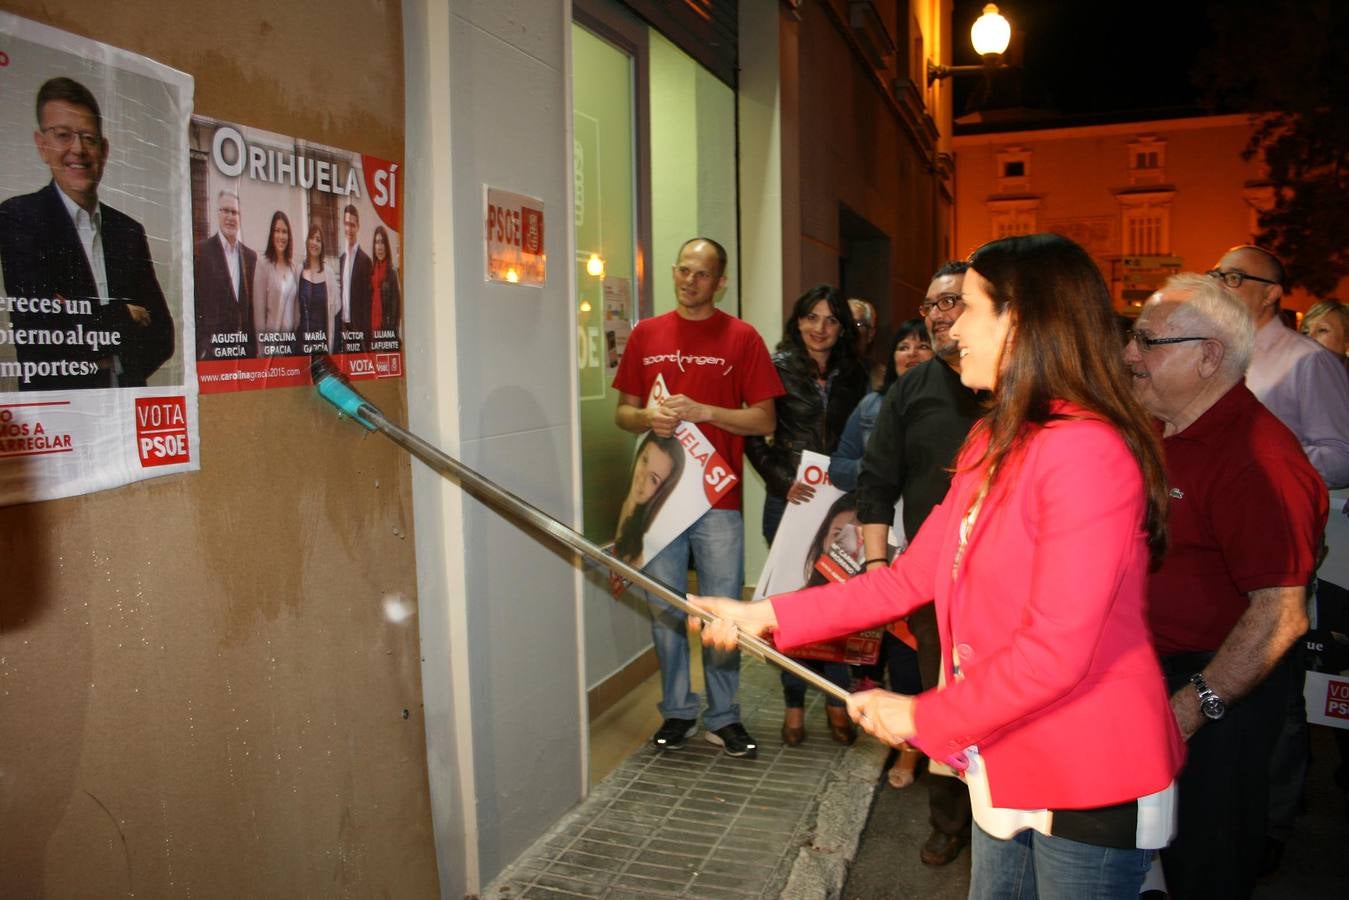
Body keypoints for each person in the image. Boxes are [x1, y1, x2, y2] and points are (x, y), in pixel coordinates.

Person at [695, 233, 1186, 899]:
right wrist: (764, 613)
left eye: (970, 307)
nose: (950, 327)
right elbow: (907, 578)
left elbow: (1054, 653)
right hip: (1003, 750)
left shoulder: (1086, 453)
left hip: (1084, 770)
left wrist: (922, 718)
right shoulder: (994, 436)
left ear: (1023, 319)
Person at [1123, 273, 1328, 899]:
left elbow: (1280, 617)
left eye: (1150, 342)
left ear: (1209, 355)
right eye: (1134, 338)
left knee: (1203, 865)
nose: (1130, 355)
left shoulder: (1260, 460)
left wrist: (1192, 709)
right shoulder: (1160, 430)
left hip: (1216, 696)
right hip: (1148, 682)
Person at [612, 237, 782, 759]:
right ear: (673, 273)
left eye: (702, 274)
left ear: (720, 281)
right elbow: (624, 412)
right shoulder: (646, 334)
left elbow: (765, 419)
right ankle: (679, 711)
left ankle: (725, 716)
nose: (690, 281)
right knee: (664, 607)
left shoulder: (743, 338)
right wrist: (649, 418)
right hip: (661, 498)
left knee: (722, 613)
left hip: (718, 501)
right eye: (683, 271)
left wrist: (705, 412)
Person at [851, 261, 984, 867]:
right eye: (929, 305)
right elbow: (876, 480)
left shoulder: (1023, 386)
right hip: (936, 579)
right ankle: (951, 820)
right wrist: (878, 569)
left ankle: (1005, 814)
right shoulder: (913, 388)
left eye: (950, 301)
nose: (936, 315)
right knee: (940, 696)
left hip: (1009, 581)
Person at [746, 285, 869, 747]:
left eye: (831, 320)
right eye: (811, 317)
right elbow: (755, 438)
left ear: (842, 328)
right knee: (792, 607)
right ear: (797, 322)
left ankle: (837, 701)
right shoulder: (774, 370)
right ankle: (794, 703)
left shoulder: (856, 375)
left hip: (841, 501)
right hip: (790, 502)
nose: (820, 328)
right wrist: (781, 481)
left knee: (840, 603)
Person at [0, 76, 173, 389]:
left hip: (124, 402)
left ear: (104, 150)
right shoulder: (19, 217)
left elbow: (163, 336)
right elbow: (40, 333)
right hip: (58, 414)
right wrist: (124, 315)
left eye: (88, 138)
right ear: (42, 145)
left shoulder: (128, 231)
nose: (77, 149)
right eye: (63, 135)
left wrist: (92, 333)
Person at [1209, 245, 1349, 489]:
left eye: (1234, 278)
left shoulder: (1308, 360)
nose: (1218, 287)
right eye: (1215, 277)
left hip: (1272, 511)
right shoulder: (1212, 355)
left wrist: (1258, 457)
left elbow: (1340, 458)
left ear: (1270, 294)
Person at [828, 318, 933, 492]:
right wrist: (876, 467)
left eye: (923, 346)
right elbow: (838, 469)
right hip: (879, 513)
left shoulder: (952, 404)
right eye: (903, 347)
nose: (912, 353)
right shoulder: (871, 405)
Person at [194, 189, 257, 360]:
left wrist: (252, 348)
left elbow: (251, 308)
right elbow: (195, 303)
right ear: (218, 213)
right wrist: (202, 347)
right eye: (226, 211)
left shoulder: (250, 257)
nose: (230, 217)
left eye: (234, 212)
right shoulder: (201, 251)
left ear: (240, 217)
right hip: (212, 354)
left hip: (244, 353)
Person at [612, 432, 685, 567]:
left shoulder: (640, 551)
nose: (642, 477)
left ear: (661, 492)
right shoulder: (612, 501)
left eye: (653, 479)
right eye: (644, 461)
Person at [252, 210, 299, 357]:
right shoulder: (263, 265)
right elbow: (259, 315)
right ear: (272, 235)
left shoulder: (293, 267)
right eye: (277, 231)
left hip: (292, 343)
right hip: (272, 345)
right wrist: (262, 351)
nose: (281, 236)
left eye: (284, 232)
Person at [297, 223, 340, 356]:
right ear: (307, 241)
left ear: (322, 246)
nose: (315, 243)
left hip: (322, 344)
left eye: (318, 240)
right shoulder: (299, 270)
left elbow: (336, 309)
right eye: (312, 238)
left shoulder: (329, 274)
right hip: (302, 343)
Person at [338, 203, 373, 352]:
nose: (349, 229)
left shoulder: (365, 261)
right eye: (346, 224)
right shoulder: (342, 259)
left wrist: (366, 336)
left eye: (352, 225)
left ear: (357, 226)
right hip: (343, 328)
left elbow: (368, 304)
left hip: (358, 329)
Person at [369, 225, 401, 343]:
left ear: (386, 246)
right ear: (374, 246)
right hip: (373, 336)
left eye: (382, 242)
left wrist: (389, 337)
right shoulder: (370, 273)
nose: (380, 246)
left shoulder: (392, 274)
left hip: (386, 334)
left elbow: (395, 311)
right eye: (377, 242)